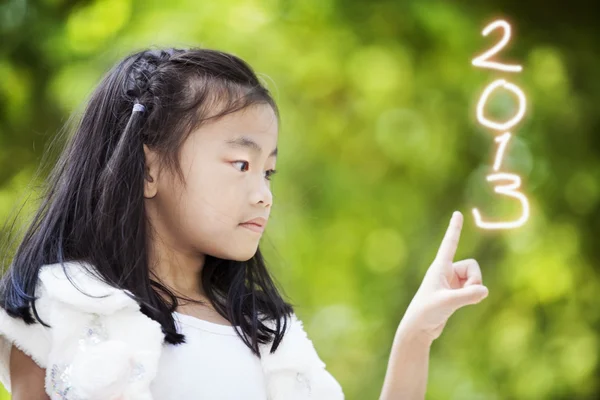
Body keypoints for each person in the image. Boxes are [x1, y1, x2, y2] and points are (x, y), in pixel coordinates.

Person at [0, 47, 489, 400]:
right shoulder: (62, 309)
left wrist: (414, 337)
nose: (263, 193)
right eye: (240, 164)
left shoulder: (268, 333)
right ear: (148, 168)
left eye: (268, 171)